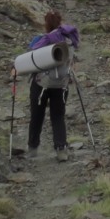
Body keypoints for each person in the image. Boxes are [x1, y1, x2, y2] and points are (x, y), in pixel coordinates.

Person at [26, 10, 80, 162]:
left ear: (46, 24)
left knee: (37, 115)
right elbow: (73, 62)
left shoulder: (41, 40)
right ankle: (61, 149)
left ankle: (32, 148)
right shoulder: (69, 41)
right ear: (60, 21)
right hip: (61, 85)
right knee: (58, 116)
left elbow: (30, 58)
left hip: (40, 84)